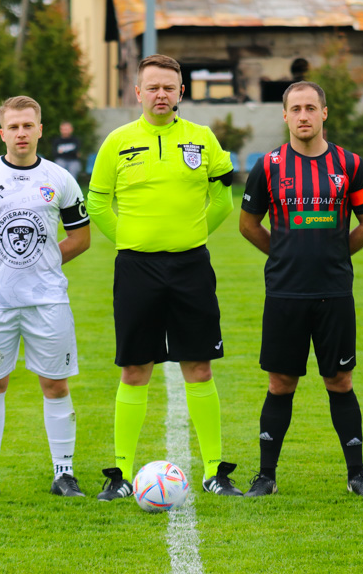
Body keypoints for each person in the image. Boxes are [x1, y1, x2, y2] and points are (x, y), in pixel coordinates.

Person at [87, 54, 241, 500]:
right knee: (135, 368)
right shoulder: (117, 141)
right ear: (137, 92)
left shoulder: (202, 138)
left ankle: (214, 470)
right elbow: (98, 204)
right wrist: (130, 240)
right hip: (136, 268)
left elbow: (223, 202)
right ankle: (119, 473)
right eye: (152, 87)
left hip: (191, 265)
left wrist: (190, 237)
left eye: (168, 88)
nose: (160, 95)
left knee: (199, 365)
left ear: (180, 93)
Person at [239, 81, 363, 497]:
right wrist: (283, 254)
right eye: (295, 109)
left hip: (334, 293)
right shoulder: (267, 166)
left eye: (310, 108)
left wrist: (336, 255)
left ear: (324, 113)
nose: (303, 115)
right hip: (285, 293)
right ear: (284, 116)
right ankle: (266, 476)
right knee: (280, 383)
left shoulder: (350, 164)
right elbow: (248, 224)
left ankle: (357, 475)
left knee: (340, 381)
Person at [0, 96, 91, 501]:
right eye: (13, 127)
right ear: (2, 133)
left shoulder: (60, 178)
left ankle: (64, 474)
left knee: (55, 384)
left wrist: (40, 262)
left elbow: (81, 237)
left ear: (40, 129)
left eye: (28, 125)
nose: (21, 133)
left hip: (48, 300)